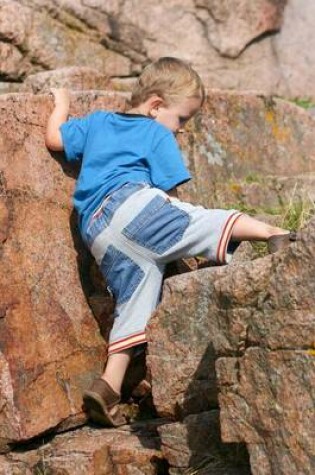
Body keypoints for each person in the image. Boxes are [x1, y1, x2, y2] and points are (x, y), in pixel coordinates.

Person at [45, 57, 296, 427]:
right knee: (201, 220)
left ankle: (108, 385)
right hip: (133, 205)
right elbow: (171, 192)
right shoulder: (155, 132)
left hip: (97, 231)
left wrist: (61, 105)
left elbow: (54, 139)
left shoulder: (97, 122)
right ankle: (273, 233)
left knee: (135, 301)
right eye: (181, 120)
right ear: (156, 105)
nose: (179, 131)